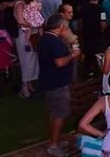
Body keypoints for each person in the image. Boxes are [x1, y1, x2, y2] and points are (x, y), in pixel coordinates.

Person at [39, 13, 82, 157]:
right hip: (57, 83)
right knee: (60, 114)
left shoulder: (45, 38)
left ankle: (54, 139)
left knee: (53, 113)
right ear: (61, 26)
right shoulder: (55, 42)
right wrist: (72, 55)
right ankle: (54, 145)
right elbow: (59, 62)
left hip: (48, 81)